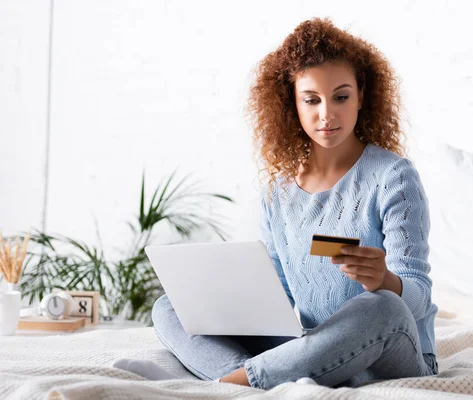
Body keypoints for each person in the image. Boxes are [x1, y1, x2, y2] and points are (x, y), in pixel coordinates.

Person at [113, 17, 438, 389]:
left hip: (391, 347)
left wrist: (386, 281)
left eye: (341, 96)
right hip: (314, 346)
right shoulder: (278, 192)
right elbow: (277, 302)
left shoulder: (393, 176)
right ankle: (246, 379)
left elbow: (417, 300)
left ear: (361, 95)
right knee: (169, 309)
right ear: (292, 103)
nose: (327, 114)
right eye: (311, 100)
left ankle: (226, 382)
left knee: (381, 307)